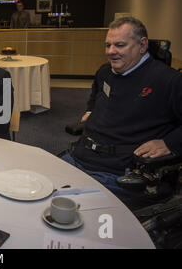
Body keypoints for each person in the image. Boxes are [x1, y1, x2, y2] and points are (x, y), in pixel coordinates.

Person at [61, 17, 182, 210]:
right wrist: (91, 110)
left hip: (116, 171)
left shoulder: (169, 80)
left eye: (120, 45)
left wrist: (169, 142)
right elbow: (96, 93)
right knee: (34, 186)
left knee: (64, 209)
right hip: (79, 155)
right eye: (108, 45)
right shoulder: (105, 72)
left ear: (142, 45)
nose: (110, 51)